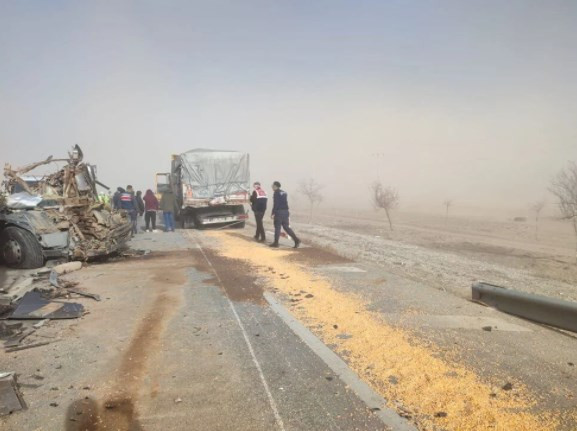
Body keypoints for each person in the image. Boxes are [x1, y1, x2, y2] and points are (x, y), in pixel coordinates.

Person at [270, 181, 300, 248]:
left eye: (272, 186)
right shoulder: (284, 193)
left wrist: (273, 213)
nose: (272, 187)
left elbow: (276, 204)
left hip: (279, 212)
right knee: (286, 227)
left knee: (277, 227)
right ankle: (296, 240)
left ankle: (276, 243)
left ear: (275, 186)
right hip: (286, 212)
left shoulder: (276, 193)